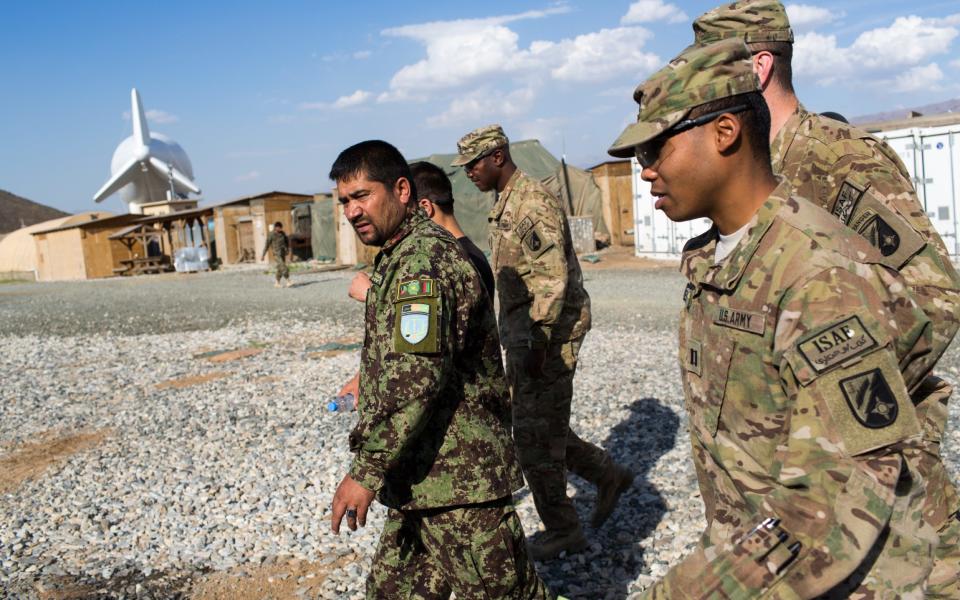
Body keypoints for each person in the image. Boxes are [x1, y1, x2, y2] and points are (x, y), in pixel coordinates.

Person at [608, 38, 942, 598]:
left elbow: (832, 494)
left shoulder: (818, 272)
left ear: (724, 133)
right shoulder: (716, 256)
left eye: (655, 151)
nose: (645, 174)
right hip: (761, 557)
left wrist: (689, 590)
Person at [691, 2, 960, 594]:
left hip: (873, 491)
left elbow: (935, 295)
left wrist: (832, 419)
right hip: (787, 498)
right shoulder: (746, 169)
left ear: (758, 67)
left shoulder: (835, 158)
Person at [327, 140, 553, 599]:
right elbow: (401, 360)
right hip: (418, 479)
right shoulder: (397, 257)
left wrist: (366, 470)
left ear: (403, 190)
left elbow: (416, 379)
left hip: (461, 486)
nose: (352, 211)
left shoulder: (424, 263)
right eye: (344, 201)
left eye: (362, 196)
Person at [453, 124, 633, 561]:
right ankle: (607, 473)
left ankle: (564, 529)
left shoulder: (531, 203)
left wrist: (535, 346)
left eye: (474, 164)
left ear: (498, 156)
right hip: (527, 335)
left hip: (545, 337)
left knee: (532, 438)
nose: (469, 173)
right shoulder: (507, 203)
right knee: (539, 425)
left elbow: (553, 281)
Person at [337, 160, 495, 401]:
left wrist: (373, 297)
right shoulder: (454, 254)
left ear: (423, 207)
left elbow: (425, 351)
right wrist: (364, 377)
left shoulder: (448, 261)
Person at [261, 221, 291, 288]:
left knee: (280, 268)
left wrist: (287, 249)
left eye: (280, 227)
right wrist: (263, 255)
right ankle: (288, 280)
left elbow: (286, 241)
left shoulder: (283, 233)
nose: (279, 228)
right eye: (278, 227)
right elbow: (267, 245)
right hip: (276, 254)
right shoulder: (271, 235)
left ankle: (277, 283)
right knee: (283, 266)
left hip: (282, 253)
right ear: (275, 227)